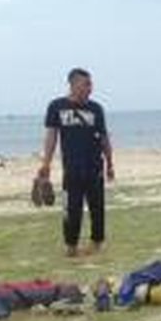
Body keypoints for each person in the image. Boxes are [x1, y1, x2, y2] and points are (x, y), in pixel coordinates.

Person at [37, 68, 114, 257]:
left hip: (94, 166)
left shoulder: (96, 109)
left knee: (97, 207)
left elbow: (104, 138)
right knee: (71, 209)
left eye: (90, 84)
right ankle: (71, 246)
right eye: (85, 84)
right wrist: (46, 163)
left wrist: (110, 163)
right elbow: (51, 136)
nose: (90, 88)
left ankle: (96, 243)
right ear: (73, 84)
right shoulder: (57, 106)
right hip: (71, 168)